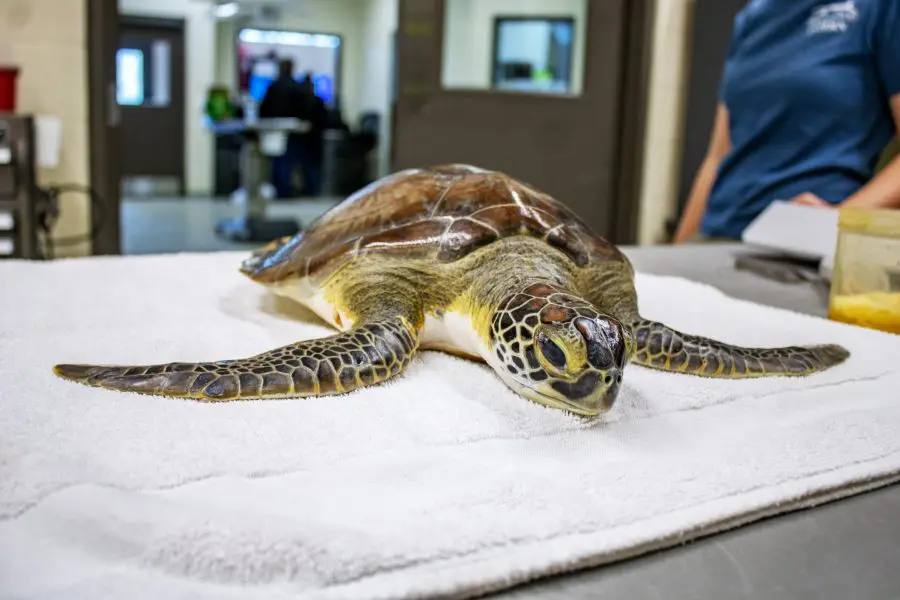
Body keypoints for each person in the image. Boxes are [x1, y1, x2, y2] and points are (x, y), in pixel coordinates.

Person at [674, 0, 900, 243]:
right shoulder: (752, 17)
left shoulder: (879, 7)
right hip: (719, 236)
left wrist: (838, 220)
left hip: (799, 245)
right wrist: (676, 254)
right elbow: (717, 158)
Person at [258, 59, 326, 197]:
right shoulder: (297, 88)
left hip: (276, 131)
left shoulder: (274, 87)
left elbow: (263, 109)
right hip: (296, 132)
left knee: (280, 163)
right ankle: (299, 191)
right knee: (293, 163)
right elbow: (305, 111)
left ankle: (281, 191)